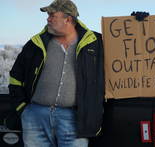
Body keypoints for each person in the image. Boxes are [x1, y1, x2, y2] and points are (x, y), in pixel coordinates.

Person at [8, 0, 104, 146]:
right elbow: (15, 77)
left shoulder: (95, 43)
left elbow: (124, 52)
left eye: (52, 15)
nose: (48, 18)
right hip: (35, 117)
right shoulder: (36, 43)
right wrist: (23, 108)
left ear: (68, 19)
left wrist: (139, 23)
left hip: (74, 119)